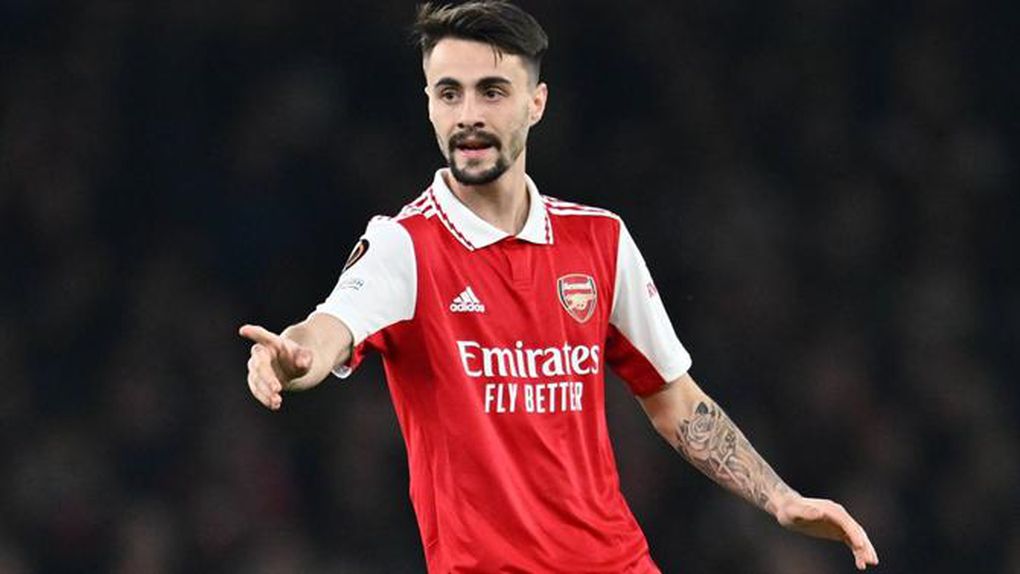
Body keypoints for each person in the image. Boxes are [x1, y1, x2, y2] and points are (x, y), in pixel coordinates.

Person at [240, 1, 880, 572]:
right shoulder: (404, 247)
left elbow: (672, 398)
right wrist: (293, 358)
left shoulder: (600, 241)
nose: (468, 116)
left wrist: (780, 499)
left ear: (536, 103)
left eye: (492, 92)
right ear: (428, 102)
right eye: (449, 93)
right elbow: (326, 330)